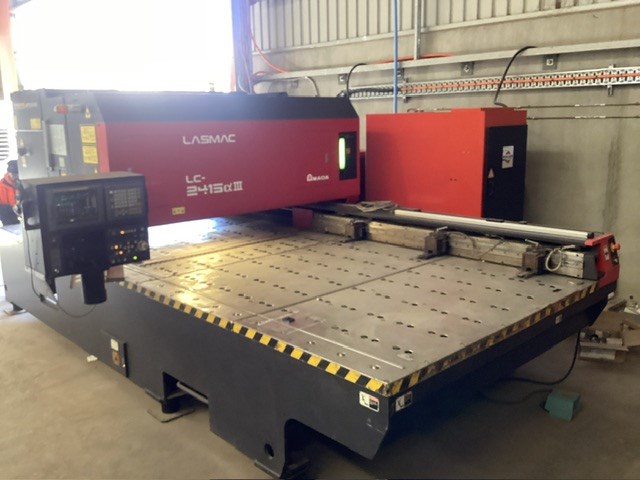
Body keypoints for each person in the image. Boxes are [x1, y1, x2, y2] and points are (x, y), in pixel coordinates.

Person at [0, 160, 19, 225]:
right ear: (8, 173)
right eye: (12, 173)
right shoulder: (1, 186)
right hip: (8, 219)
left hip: (25, 215)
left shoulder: (23, 183)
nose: (14, 176)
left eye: (16, 174)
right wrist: (12, 209)